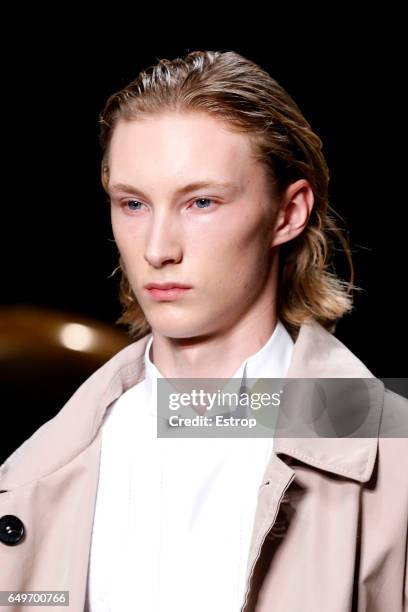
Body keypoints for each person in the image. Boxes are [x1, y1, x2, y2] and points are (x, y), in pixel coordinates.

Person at [0, 49, 407, 612]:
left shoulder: (393, 461)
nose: (158, 250)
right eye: (133, 203)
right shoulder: (33, 475)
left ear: (288, 213)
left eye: (201, 201)